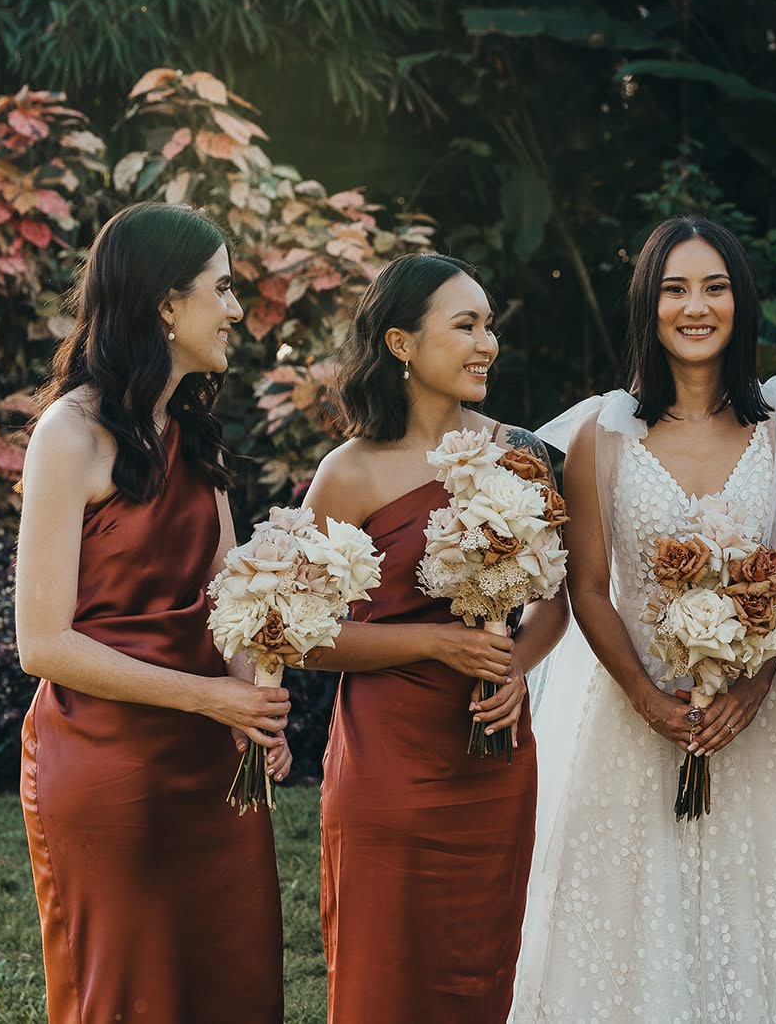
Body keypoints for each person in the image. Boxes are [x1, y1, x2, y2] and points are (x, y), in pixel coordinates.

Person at [513, 217, 776, 1021]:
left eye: (715, 287)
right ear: (648, 306)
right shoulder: (602, 431)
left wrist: (753, 689)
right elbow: (589, 585)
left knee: (749, 906)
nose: (696, 307)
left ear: (741, 301)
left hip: (749, 718)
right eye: (675, 289)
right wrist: (647, 697)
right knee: (628, 916)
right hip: (630, 714)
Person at [16, 202, 287, 1023]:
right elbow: (43, 643)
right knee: (131, 995)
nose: (237, 308)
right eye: (224, 288)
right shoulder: (68, 434)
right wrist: (210, 697)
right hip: (106, 767)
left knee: (233, 981)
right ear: (168, 305)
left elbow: (227, 598)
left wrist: (254, 703)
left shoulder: (193, 433)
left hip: (211, 770)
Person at [300, 252, 568, 1022]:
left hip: (494, 762)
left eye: (490, 326)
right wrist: (433, 644)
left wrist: (515, 662)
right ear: (401, 343)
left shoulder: (522, 453)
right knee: (382, 976)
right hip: (388, 763)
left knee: (478, 970)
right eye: (466, 325)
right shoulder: (348, 472)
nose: (487, 343)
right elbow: (308, 636)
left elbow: (559, 598)